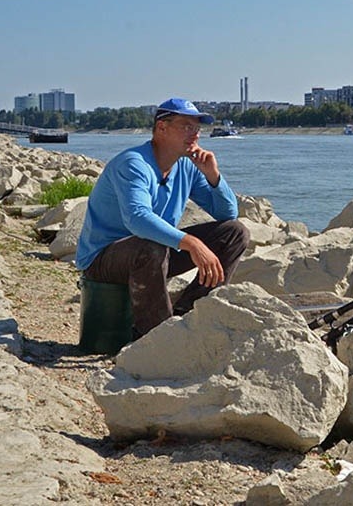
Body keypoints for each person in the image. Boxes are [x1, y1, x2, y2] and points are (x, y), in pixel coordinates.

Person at [75, 97, 250, 337]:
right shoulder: (133, 164)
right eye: (187, 127)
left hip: (154, 254)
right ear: (162, 128)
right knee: (150, 245)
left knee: (235, 233)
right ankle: (160, 336)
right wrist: (192, 243)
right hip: (104, 259)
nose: (195, 134)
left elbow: (227, 214)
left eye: (197, 128)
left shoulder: (186, 166)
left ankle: (188, 314)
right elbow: (137, 218)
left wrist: (214, 177)